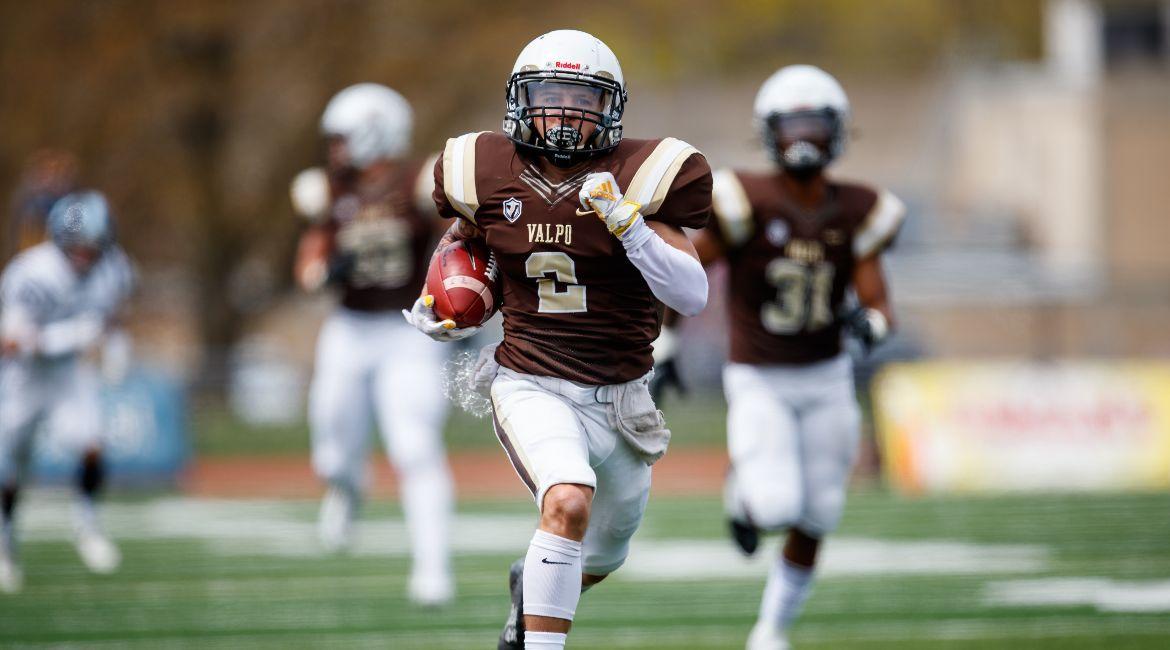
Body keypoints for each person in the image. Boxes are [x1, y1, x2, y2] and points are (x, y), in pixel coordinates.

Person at [403, 29, 712, 650]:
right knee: (568, 500)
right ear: (521, 99)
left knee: (607, 549)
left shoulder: (643, 176)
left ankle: (530, 594)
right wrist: (438, 300)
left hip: (623, 393)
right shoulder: (482, 171)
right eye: (550, 94)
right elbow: (464, 242)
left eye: (582, 97)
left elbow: (692, 294)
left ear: (610, 109)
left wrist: (630, 226)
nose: (566, 112)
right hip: (532, 381)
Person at [656, 65, 906, 650]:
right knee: (774, 505)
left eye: (815, 126)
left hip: (826, 376)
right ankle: (740, 490)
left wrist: (867, 326)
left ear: (837, 132)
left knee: (819, 514)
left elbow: (879, 305)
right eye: (792, 125)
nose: (804, 139)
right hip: (760, 376)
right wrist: (664, 343)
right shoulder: (746, 198)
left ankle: (770, 630)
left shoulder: (859, 208)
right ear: (768, 132)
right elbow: (684, 271)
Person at [290, 83, 456, 606]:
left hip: (410, 329)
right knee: (330, 450)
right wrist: (322, 272)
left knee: (415, 446)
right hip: (350, 328)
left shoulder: (416, 183)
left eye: (343, 137)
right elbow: (308, 265)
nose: (335, 148)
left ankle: (433, 568)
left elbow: (461, 234)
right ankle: (347, 488)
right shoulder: (330, 191)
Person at [0, 190, 135, 594]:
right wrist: (71, 335)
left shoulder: (114, 268)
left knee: (92, 444)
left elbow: (114, 318)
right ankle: (5, 544)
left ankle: (87, 525)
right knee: (10, 466)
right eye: (79, 245)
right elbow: (11, 341)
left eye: (94, 245)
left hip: (69, 376)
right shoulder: (31, 273)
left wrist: (115, 348)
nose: (86, 254)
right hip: (24, 376)